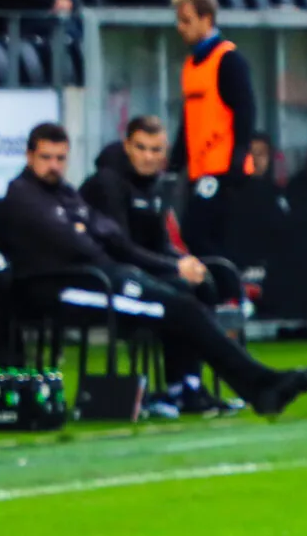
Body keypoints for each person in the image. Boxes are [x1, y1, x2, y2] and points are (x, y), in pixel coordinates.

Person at [4, 124, 307, 417]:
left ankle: (222, 387)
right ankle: (258, 385)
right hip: (65, 286)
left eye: (61, 158)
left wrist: (87, 232)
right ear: (30, 156)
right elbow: (78, 244)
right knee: (178, 307)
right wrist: (86, 233)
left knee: (185, 299)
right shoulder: (23, 194)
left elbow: (107, 235)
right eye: (46, 157)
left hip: (101, 276)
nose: (54, 166)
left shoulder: (65, 193)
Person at [83, 114, 240, 417]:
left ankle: (189, 385)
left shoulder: (155, 185)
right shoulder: (107, 183)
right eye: (141, 148)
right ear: (127, 146)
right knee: (180, 290)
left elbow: (158, 242)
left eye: (156, 150)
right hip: (108, 277)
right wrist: (173, 268)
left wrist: (182, 260)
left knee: (204, 283)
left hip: (141, 269)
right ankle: (179, 389)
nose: (148, 157)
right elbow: (120, 247)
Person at [167, 0, 257, 263]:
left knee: (196, 232)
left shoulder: (227, 60)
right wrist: (175, 163)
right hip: (200, 169)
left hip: (222, 168)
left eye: (186, 20)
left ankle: (229, 290)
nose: (180, 27)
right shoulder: (191, 66)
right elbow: (190, 118)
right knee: (207, 235)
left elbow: (245, 108)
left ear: (206, 20)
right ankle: (222, 294)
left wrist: (239, 155)